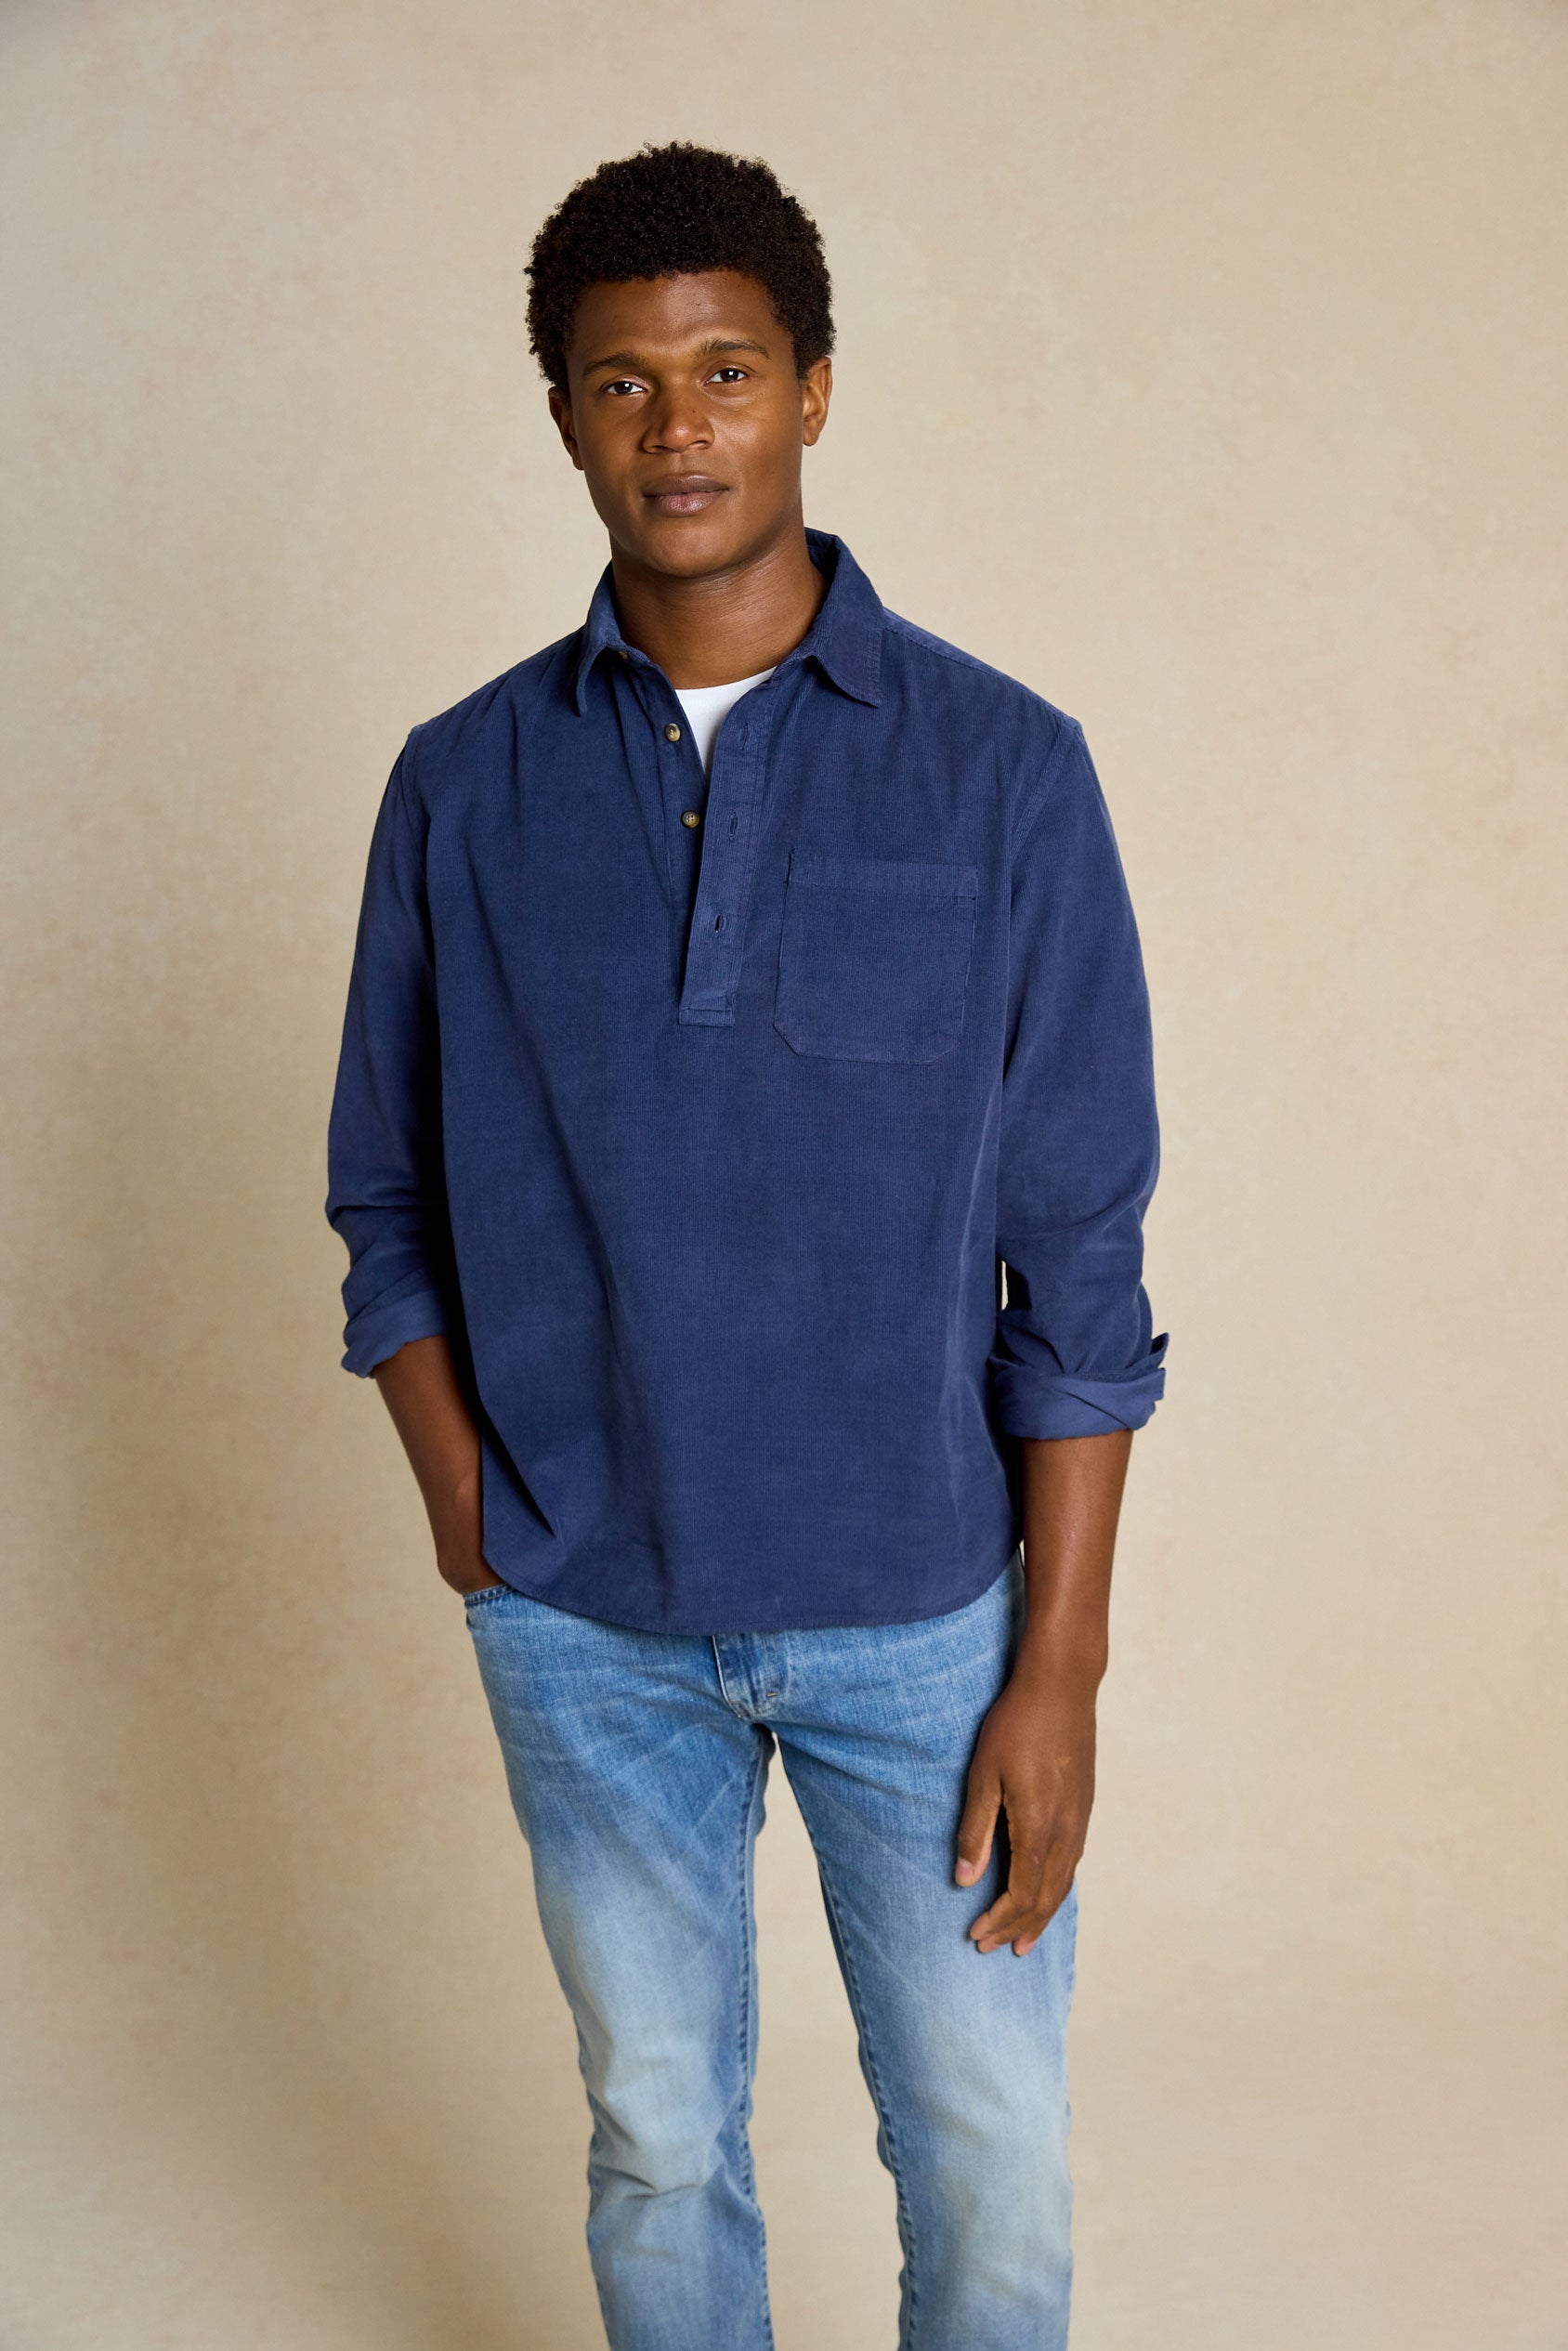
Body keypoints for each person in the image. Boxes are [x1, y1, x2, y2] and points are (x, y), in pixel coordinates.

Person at [325, 139, 1166, 2351]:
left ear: (811, 390)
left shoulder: (1003, 771)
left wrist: (1059, 1665)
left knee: (986, 2160)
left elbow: (1080, 1262)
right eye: (621, 380)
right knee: (658, 2139)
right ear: (563, 416)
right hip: (586, 1624)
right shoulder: (462, 784)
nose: (676, 425)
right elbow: (386, 1200)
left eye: (724, 369)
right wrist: (473, 1520)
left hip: (927, 1620)